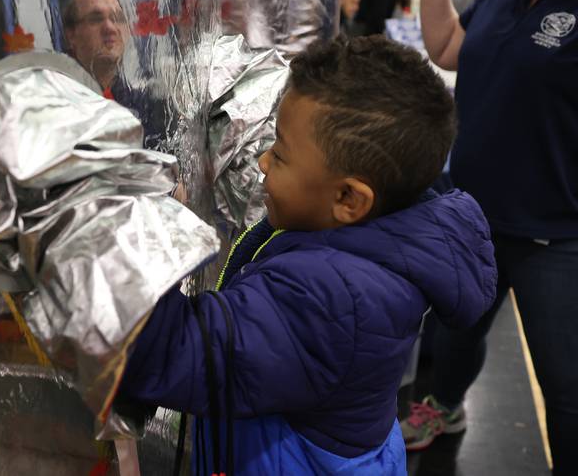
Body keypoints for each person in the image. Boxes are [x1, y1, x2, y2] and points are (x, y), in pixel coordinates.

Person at [116, 36, 496, 475]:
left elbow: (171, 353)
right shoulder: (379, 238)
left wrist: (150, 231)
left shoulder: (330, 297)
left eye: (279, 153)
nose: (261, 162)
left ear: (349, 199)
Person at [400, 0, 578, 473]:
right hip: (475, 217)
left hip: (557, 235)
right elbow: (450, 47)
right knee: (456, 335)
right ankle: (445, 409)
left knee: (565, 384)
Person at [62, 0, 168, 150]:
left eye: (117, 18)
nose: (110, 28)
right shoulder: (58, 107)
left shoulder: (149, 107)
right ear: (71, 35)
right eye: (96, 19)